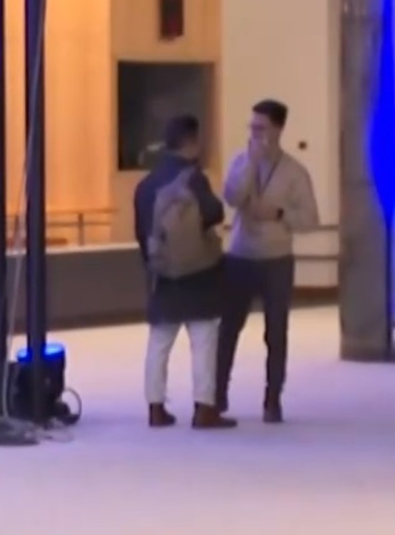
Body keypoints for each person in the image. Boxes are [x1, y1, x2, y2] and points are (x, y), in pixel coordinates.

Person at [217, 98, 320, 423]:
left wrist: (278, 213)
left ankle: (272, 399)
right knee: (227, 329)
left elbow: (310, 219)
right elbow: (232, 196)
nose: (254, 133)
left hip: (277, 260)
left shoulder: (295, 172)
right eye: (252, 127)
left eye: (261, 128)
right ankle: (217, 396)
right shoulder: (240, 160)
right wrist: (251, 164)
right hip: (239, 256)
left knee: (276, 333)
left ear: (278, 129)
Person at [131, 116, 235, 430]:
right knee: (204, 340)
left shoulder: (146, 185)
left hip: (162, 274)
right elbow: (214, 212)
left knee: (159, 341)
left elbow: (141, 233)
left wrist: (154, 263)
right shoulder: (194, 179)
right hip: (199, 271)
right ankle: (204, 408)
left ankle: (155, 407)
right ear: (192, 142)